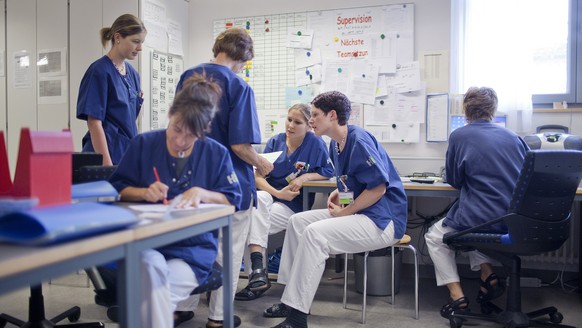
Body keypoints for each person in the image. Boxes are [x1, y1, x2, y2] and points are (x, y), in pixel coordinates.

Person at [263, 91, 408, 328]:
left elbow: (378, 188)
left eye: (316, 115)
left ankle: (297, 318)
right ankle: (290, 299)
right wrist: (340, 193)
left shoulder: (358, 141)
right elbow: (352, 182)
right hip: (364, 213)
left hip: (383, 220)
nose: (311, 120)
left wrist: (345, 211)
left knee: (314, 234)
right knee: (298, 222)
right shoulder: (336, 144)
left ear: (332, 115)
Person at [108, 74, 242, 328]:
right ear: (170, 114)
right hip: (146, 243)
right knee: (151, 273)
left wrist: (202, 193)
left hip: (192, 250)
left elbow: (232, 200)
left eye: (190, 136)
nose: (180, 141)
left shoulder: (215, 153)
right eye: (177, 129)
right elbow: (118, 186)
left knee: (155, 296)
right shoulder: (143, 143)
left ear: (203, 132)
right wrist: (143, 192)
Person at [176, 27, 273, 328]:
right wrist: (261, 163)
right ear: (243, 57)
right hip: (229, 184)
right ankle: (218, 318)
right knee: (228, 252)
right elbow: (239, 146)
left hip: (192, 179)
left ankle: (181, 307)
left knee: (191, 246)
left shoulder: (188, 77)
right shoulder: (239, 86)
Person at [424, 87, 529, 320]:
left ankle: (457, 296)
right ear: (493, 110)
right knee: (475, 229)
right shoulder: (514, 137)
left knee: (435, 236)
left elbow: (453, 180)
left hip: (481, 218)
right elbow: (528, 178)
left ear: (465, 110)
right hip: (513, 220)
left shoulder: (460, 136)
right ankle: (488, 275)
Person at [235, 103, 335, 301]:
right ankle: (257, 274)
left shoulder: (315, 143)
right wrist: (277, 193)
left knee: (251, 221)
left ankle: (257, 275)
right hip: (272, 197)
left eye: (297, 122)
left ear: (308, 126)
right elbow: (257, 177)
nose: (290, 125)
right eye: (289, 119)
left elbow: (328, 171)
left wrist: (304, 178)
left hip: (292, 206)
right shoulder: (275, 141)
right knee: (259, 201)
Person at [77, 14, 146, 166]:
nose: (139, 48)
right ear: (118, 37)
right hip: (103, 154)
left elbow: (129, 121)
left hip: (125, 154)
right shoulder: (99, 71)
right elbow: (94, 122)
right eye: (135, 41)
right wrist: (106, 165)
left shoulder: (133, 75)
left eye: (141, 43)